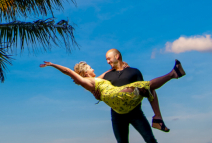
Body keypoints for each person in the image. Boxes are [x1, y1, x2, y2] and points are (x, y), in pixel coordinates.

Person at [40, 54, 185, 143]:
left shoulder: (97, 79)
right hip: (117, 97)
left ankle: (158, 115)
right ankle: (173, 74)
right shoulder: (88, 82)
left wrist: (119, 65)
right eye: (90, 68)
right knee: (145, 85)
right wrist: (53, 65)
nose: (93, 69)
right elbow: (69, 72)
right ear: (85, 72)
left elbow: (106, 73)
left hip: (120, 100)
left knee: (145, 87)